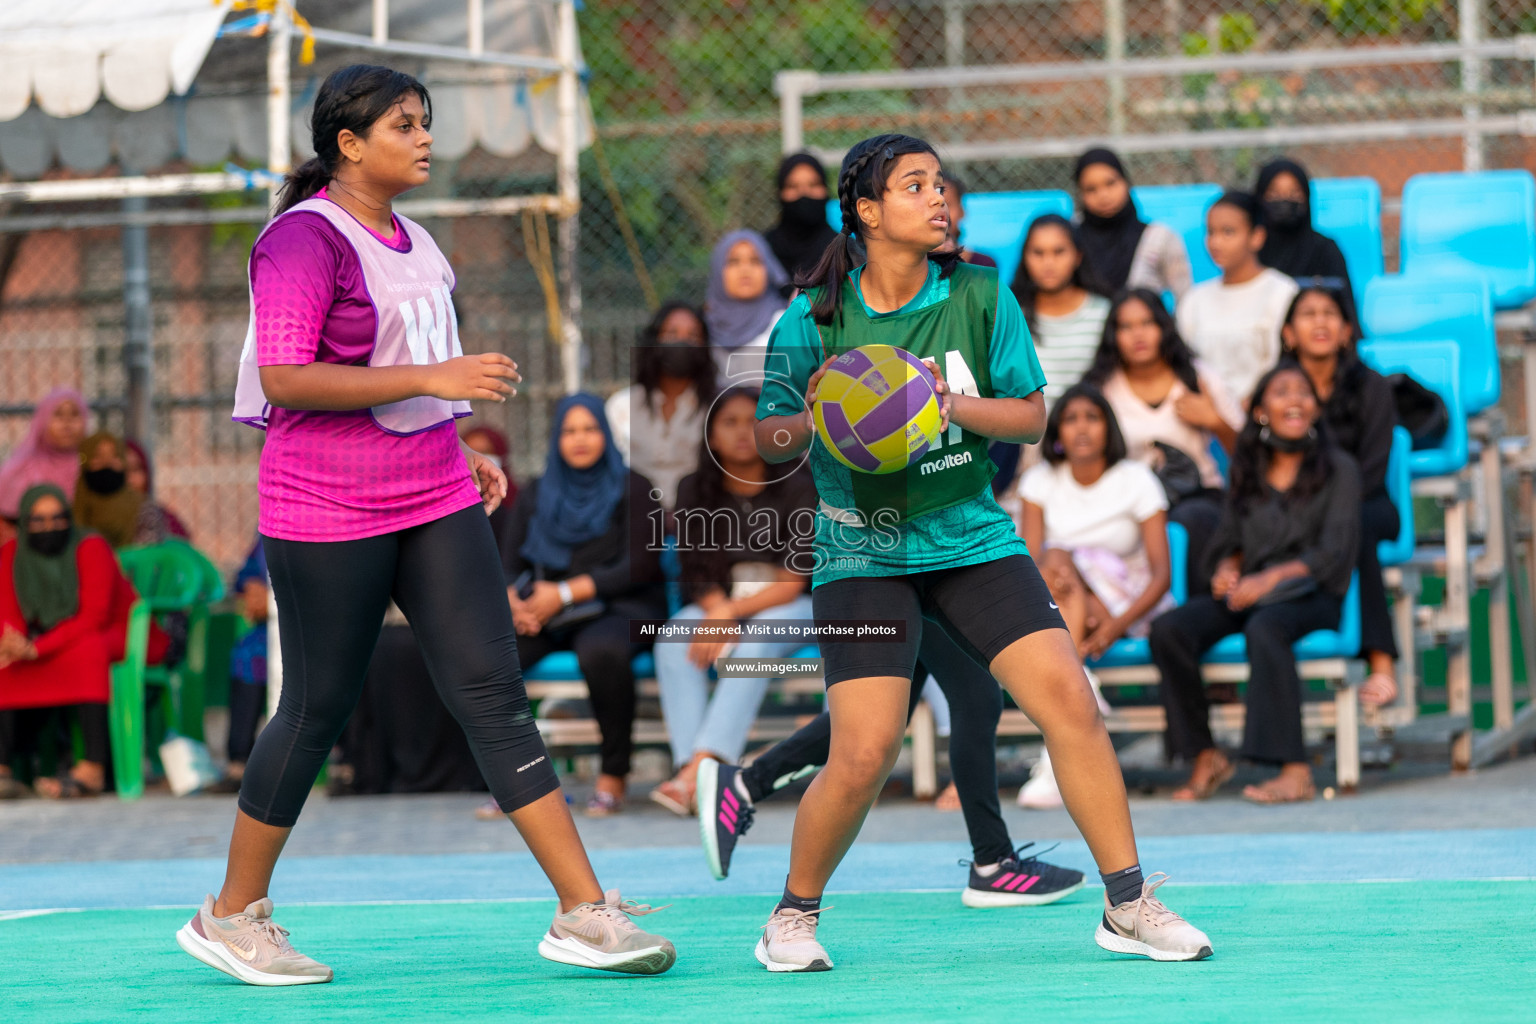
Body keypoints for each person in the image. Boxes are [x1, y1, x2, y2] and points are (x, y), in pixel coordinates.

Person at [191, 64, 676, 986]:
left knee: (491, 690)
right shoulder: (302, 241)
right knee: (315, 706)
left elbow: (415, 373)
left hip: (433, 494)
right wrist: (435, 385)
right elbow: (290, 377)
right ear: (348, 143)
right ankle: (230, 915)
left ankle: (584, 910)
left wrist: (458, 443)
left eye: (426, 121)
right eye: (405, 124)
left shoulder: (417, 240)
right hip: (325, 505)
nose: (424, 137)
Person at [747, 133, 1209, 972]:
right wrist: (812, 411)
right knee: (862, 753)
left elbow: (1031, 416)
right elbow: (764, 441)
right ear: (866, 210)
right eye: (915, 186)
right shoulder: (809, 316)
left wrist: (942, 402)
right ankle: (792, 912)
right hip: (864, 548)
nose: (939, 199)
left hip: (969, 532)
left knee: (1070, 700)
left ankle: (1128, 902)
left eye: (941, 185)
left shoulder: (982, 294)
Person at [1148, 364, 1360, 804]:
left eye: (1304, 393)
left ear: (1316, 410)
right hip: (1251, 593)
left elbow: (1332, 553)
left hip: (1311, 592)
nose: (1295, 400)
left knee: (1267, 627)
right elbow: (1229, 537)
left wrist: (1269, 579)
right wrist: (1228, 567)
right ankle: (1206, 756)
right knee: (1169, 630)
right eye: (1282, 392)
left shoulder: (1340, 468)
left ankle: (1295, 770)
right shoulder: (1249, 467)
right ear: (1261, 411)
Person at [650, 386, 817, 814]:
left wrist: (729, 612)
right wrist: (718, 609)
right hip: (719, 604)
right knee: (672, 639)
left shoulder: (800, 485)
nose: (744, 432)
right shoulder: (694, 489)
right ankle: (697, 773)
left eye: (754, 421)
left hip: (789, 607)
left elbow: (792, 582)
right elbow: (696, 574)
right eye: (730, 422)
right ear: (713, 435)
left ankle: (700, 770)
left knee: (756, 640)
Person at [501, 394, 667, 818]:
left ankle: (613, 775)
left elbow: (641, 565)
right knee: (496, 658)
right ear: (557, 438)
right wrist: (515, 606)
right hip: (551, 611)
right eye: (570, 431)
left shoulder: (634, 486)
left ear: (606, 435)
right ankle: (520, 783)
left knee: (602, 650)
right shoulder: (539, 491)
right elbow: (509, 564)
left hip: (629, 608)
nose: (580, 439)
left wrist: (566, 592)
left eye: (590, 429)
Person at [1016, 385, 1174, 809]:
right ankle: (1077, 685)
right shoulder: (1039, 480)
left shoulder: (1137, 479)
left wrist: (1112, 630)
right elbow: (1028, 562)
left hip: (1128, 604)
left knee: (1060, 556)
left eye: (1092, 417)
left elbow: (1162, 576)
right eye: (1071, 418)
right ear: (1057, 432)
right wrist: (1060, 574)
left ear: (1109, 427)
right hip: (1067, 601)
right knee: (1054, 562)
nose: (1082, 427)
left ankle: (1059, 747)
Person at [0, 484, 166, 799]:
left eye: (58, 518)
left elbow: (94, 617)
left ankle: (92, 769)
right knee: (5, 662)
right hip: (48, 639)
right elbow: (9, 613)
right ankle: (3, 770)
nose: (49, 527)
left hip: (118, 632)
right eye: (38, 520)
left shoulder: (90, 547)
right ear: (24, 522)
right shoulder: (11, 553)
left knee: (86, 650)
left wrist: (36, 648)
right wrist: (14, 644)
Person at [1280, 286, 1399, 707]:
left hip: (1370, 502)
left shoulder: (1372, 387)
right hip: (1297, 508)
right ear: (1288, 333)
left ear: (1348, 330)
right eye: (1308, 313)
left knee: (1355, 522)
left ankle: (1381, 662)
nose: (1319, 322)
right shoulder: (1277, 392)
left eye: (1330, 314)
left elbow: (1373, 468)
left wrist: (1325, 513)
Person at [1083, 289, 1244, 596]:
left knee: (1190, 521)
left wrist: (1215, 421)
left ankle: (1199, 613)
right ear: (1112, 335)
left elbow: (1249, 453)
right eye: (1125, 327)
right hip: (1126, 503)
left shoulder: (1199, 378)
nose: (1137, 335)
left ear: (1164, 328)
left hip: (1195, 496)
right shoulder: (1101, 388)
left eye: (1147, 323)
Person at [1176, 190, 1299, 403]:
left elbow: (1285, 365)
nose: (1215, 242)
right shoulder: (1194, 299)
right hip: (1205, 415)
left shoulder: (1282, 291)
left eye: (1228, 232)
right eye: (1211, 232)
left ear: (1257, 237)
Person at [605, 301, 716, 510]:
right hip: (635, 519)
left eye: (692, 336)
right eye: (672, 334)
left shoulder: (716, 408)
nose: (681, 343)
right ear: (654, 341)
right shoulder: (621, 406)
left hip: (701, 520)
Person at [1010, 214, 1111, 404]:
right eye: (1038, 253)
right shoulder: (1011, 316)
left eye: (1059, 252)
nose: (1048, 263)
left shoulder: (1105, 313)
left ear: (1078, 256)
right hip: (1030, 430)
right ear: (1025, 257)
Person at [1072, 149, 1192, 300]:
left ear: (1126, 181)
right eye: (1091, 189)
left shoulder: (1159, 238)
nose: (1103, 195)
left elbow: (1186, 299)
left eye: (1110, 183)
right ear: (1080, 194)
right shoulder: (1070, 238)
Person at [1255, 157, 1355, 317]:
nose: (1284, 201)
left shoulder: (1325, 249)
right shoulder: (1251, 251)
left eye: (1294, 194)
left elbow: (1345, 313)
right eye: (1274, 194)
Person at [0, 388, 89, 542]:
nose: (67, 422)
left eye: (75, 414)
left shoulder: (91, 466)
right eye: (58, 414)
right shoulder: (20, 468)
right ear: (42, 420)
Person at [705, 230, 789, 378]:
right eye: (733, 261)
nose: (745, 270)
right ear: (718, 269)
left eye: (755, 261)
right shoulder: (700, 327)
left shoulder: (786, 324)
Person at [764, 153, 838, 284]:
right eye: (793, 186)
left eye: (814, 184)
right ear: (780, 193)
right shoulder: (762, 250)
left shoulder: (844, 251)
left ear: (826, 189)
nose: (804, 193)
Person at [73, 432, 144, 549]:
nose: (107, 463)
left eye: (114, 456)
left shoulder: (143, 509)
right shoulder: (74, 511)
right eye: (97, 457)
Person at [123, 439, 192, 543]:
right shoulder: (97, 524)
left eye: (135, 469)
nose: (129, 480)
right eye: (122, 471)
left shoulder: (168, 523)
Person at [937, 173, 997, 268]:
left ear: (962, 211)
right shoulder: (911, 266)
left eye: (946, 204)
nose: (939, 215)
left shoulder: (982, 266)